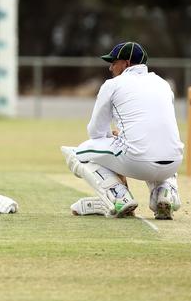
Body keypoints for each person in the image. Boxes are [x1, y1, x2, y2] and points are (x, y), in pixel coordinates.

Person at [61, 42, 184, 219]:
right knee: (156, 144)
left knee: (79, 153)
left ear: (126, 63)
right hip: (173, 162)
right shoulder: (163, 83)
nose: (111, 67)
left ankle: (120, 196)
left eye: (114, 62)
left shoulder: (113, 84)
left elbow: (96, 132)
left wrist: (114, 135)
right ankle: (164, 192)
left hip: (137, 160)